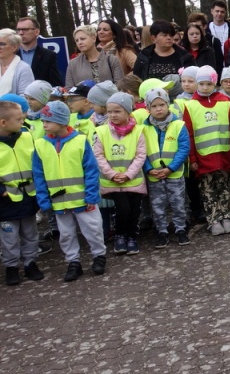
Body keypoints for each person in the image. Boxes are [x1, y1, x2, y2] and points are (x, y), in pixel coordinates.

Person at [33, 100, 107, 281]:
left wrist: (91, 194)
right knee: (66, 235)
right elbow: (38, 174)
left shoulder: (80, 141)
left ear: (62, 121)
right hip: (60, 201)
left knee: (93, 229)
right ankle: (73, 262)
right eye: (42, 121)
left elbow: (91, 169)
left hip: (84, 199)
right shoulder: (40, 145)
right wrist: (43, 199)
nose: (44, 125)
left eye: (47, 121)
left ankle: (99, 256)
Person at [182, 65, 230, 235]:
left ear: (214, 84)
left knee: (224, 187)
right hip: (203, 157)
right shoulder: (190, 105)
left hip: (224, 154)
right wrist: (192, 158)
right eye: (202, 84)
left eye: (209, 84)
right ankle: (213, 219)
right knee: (207, 190)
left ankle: (226, 216)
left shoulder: (224, 101)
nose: (205, 88)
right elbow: (189, 134)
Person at [92, 93, 147, 255]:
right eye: (110, 111)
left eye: (117, 111)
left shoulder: (138, 131)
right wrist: (111, 174)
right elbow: (98, 155)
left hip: (133, 181)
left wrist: (129, 174)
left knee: (134, 209)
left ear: (128, 112)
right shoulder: (101, 132)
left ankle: (132, 237)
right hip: (113, 182)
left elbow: (140, 155)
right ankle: (120, 235)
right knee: (123, 209)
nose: (113, 115)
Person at [0, 98, 44, 285]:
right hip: (6, 200)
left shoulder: (27, 135)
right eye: (18, 119)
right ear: (4, 122)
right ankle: (11, 267)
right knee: (9, 237)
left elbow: (37, 162)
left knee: (30, 233)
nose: (23, 120)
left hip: (29, 195)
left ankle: (30, 263)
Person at [141, 86, 190, 248]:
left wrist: (171, 168)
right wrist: (148, 169)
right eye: (154, 106)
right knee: (157, 205)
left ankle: (180, 229)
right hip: (154, 175)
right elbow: (141, 151)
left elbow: (184, 149)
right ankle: (161, 231)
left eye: (162, 104)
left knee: (178, 203)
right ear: (148, 108)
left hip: (173, 173)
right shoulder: (143, 128)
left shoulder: (178, 125)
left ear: (168, 105)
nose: (158, 109)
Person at [15, 17, 63, 87]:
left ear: (36, 32)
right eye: (18, 30)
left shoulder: (48, 55)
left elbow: (55, 84)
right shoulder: (11, 55)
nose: (21, 33)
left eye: (25, 29)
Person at [0, 28, 35, 96]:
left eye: (2, 44)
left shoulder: (24, 68)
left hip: (14, 106)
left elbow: (25, 97)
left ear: (14, 47)